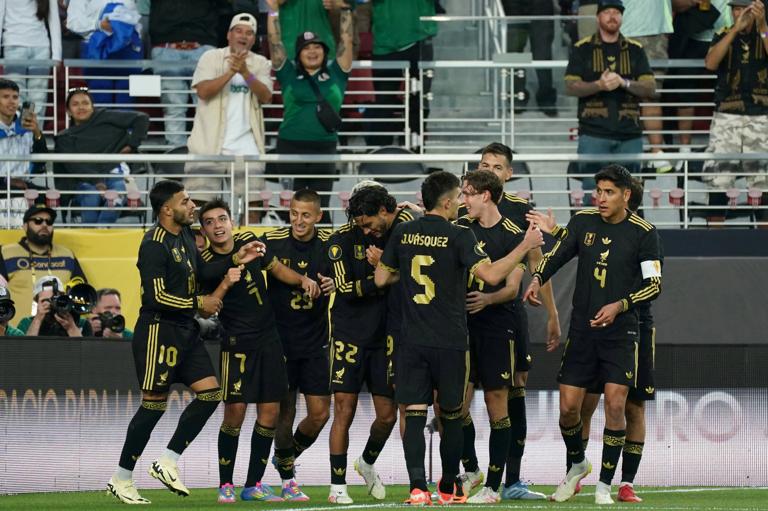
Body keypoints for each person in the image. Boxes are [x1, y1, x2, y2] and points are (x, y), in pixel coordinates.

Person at [373, 171, 543, 505]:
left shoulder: (404, 233)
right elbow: (492, 274)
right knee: (451, 413)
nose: (463, 202)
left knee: (417, 410)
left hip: (412, 338)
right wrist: (526, 245)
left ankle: (418, 489)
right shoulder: (458, 235)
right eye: (460, 196)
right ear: (449, 201)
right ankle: (450, 488)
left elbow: (381, 278)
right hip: (451, 338)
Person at [106, 180, 265, 505]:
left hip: (186, 330)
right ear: (167, 209)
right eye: (186, 201)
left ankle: (167, 461)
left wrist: (238, 257)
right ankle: (121, 478)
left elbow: (204, 270)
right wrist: (198, 303)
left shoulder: (184, 237)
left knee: (210, 395)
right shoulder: (154, 243)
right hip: (158, 331)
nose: (192, 206)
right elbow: (155, 295)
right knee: (153, 405)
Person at [523, 164, 662, 505]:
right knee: (570, 408)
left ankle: (610, 484)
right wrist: (538, 278)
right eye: (597, 191)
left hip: (626, 330)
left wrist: (620, 305)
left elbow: (654, 284)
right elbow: (557, 255)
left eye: (608, 192)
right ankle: (577, 464)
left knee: (624, 404)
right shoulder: (583, 221)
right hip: (584, 331)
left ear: (626, 195)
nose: (600, 198)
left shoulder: (645, 233)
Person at [456, 142, 561, 501]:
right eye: (484, 164)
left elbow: (536, 265)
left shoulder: (519, 214)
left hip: (507, 316)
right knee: (457, 401)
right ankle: (471, 469)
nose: (490, 169)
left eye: (496, 166)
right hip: (464, 320)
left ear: (507, 175)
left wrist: (552, 314)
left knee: (512, 394)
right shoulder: (462, 216)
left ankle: (510, 480)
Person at [197, 198, 320, 503]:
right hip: (237, 344)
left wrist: (302, 279)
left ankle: (253, 484)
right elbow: (207, 308)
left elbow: (277, 268)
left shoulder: (250, 243)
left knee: (270, 413)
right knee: (235, 413)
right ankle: (226, 484)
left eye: (221, 219)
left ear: (231, 221)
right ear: (204, 230)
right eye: (210, 222)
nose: (217, 225)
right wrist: (229, 275)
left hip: (270, 341)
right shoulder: (204, 264)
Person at [323, 184, 414, 504]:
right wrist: (385, 276)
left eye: (368, 222)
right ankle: (337, 486)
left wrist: (387, 270)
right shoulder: (339, 242)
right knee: (343, 410)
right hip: (348, 335)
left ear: (384, 212)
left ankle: (367, 461)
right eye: (360, 224)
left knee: (388, 415)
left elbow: (411, 276)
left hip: (386, 335)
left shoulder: (398, 233)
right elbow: (345, 288)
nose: (365, 229)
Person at [264, 189, 336, 501]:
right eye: (294, 213)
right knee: (285, 411)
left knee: (320, 413)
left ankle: (285, 455)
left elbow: (342, 281)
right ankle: (287, 479)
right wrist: (300, 279)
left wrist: (335, 283)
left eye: (306, 215)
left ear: (318, 217)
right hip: (279, 341)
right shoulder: (274, 240)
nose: (298, 221)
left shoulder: (330, 246)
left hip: (316, 342)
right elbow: (266, 263)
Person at [265, 0, 353, 220]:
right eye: (306, 48)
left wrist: (344, 9)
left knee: (320, 207)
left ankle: (323, 253)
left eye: (317, 47)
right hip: (290, 146)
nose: (312, 51)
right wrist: (273, 10)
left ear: (324, 51)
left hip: (324, 147)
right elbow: (274, 40)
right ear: (298, 53)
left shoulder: (337, 72)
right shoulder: (287, 73)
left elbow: (347, 39)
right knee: (292, 209)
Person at [565, 0, 656, 201]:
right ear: (598, 17)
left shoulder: (635, 49)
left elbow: (650, 88)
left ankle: (631, 233)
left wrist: (624, 82)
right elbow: (570, 86)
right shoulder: (582, 49)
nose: (612, 16)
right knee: (593, 193)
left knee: (630, 195)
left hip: (629, 134)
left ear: (622, 17)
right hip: (593, 134)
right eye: (607, 12)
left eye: (617, 12)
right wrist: (599, 85)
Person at [186, 12, 273, 218]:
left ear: (254, 39)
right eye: (239, 31)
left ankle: (247, 247)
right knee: (197, 207)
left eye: (250, 33)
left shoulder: (261, 63)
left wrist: (245, 72)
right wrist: (230, 72)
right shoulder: (211, 57)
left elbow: (266, 96)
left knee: (253, 207)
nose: (244, 36)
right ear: (229, 35)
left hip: (248, 147)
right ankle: (199, 250)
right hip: (208, 146)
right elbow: (203, 91)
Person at [702, 0, 768, 225]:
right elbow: (710, 63)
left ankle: (763, 242)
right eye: (735, 9)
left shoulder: (765, 32)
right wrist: (733, 31)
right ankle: (715, 238)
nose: (739, 13)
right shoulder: (723, 33)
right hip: (726, 115)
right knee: (719, 178)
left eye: (744, 9)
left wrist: (762, 27)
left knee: (762, 182)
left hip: (761, 115)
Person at [54, 87, 149, 224]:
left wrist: (131, 145)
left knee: (116, 193)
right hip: (83, 180)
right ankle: (91, 236)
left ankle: (101, 230)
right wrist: (97, 181)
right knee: (92, 196)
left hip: (114, 172)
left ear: (93, 107)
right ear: (68, 111)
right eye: (75, 104)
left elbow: (142, 118)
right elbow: (74, 166)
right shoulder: (64, 138)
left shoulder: (104, 117)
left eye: (85, 103)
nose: (81, 107)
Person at [0, 204, 87, 326]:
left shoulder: (67, 255)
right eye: (38, 221)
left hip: (60, 332)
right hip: (19, 334)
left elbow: (82, 295)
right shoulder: (6, 253)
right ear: (25, 226)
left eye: (49, 222)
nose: (44, 225)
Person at [364, 0, 437, 147]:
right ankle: (380, 155)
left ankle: (415, 153)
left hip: (420, 40)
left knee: (419, 101)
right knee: (384, 103)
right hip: (385, 43)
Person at [149, 0, 220, 147]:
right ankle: (176, 157)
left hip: (202, 45)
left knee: (206, 107)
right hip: (166, 47)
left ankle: (208, 154)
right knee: (174, 107)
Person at [620, 0, 675, 172]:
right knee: (622, 95)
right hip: (623, 32)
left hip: (655, 34)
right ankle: (625, 152)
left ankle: (657, 153)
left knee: (651, 94)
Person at [66, 0, 142, 105]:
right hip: (96, 51)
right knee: (101, 103)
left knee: (127, 103)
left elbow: (136, 20)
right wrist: (99, 25)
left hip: (127, 52)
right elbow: (72, 22)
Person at [0, 0, 62, 120]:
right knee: (15, 96)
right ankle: (17, 136)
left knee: (38, 99)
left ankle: (35, 136)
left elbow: (54, 20)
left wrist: (57, 55)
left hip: (41, 47)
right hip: (13, 45)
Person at [0, 78, 48, 225]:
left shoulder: (26, 127)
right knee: (18, 195)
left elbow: (41, 161)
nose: (12, 101)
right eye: (5, 97)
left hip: (23, 183)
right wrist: (7, 180)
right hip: (3, 184)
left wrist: (37, 132)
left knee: (50, 196)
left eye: (15, 97)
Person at [503, 0, 558, 115]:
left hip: (540, 8)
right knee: (515, 53)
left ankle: (546, 98)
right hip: (513, 8)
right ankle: (518, 96)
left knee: (542, 54)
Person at [16, 275, 93, 336]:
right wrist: (38, 319)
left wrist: (71, 327)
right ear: (37, 302)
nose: (51, 304)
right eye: (45, 300)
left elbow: (86, 353)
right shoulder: (26, 323)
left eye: (55, 299)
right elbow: (25, 350)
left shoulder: (81, 324)